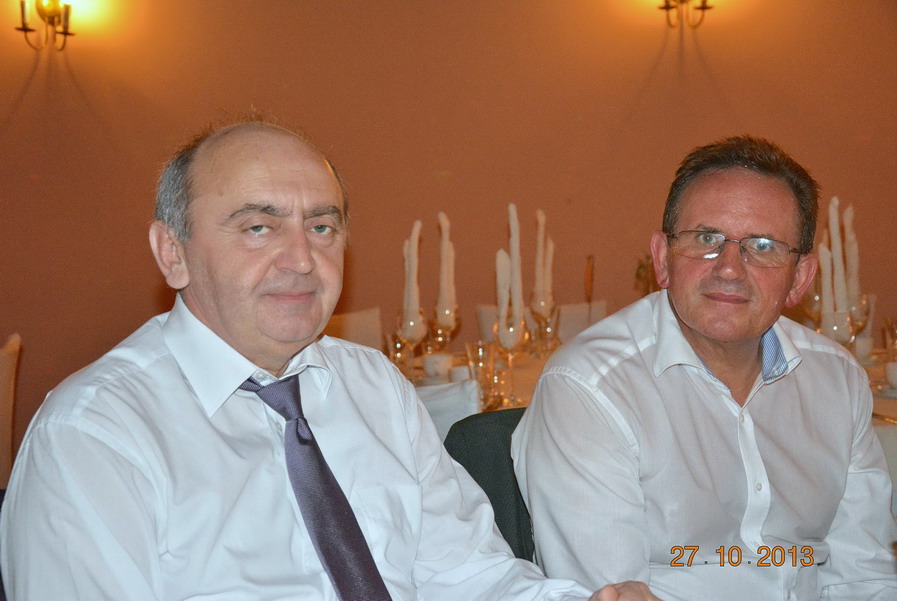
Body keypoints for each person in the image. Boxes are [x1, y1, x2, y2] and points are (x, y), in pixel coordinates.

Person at [0, 119, 660, 601]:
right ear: (172, 253)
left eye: (322, 227)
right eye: (258, 227)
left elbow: (466, 575)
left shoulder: (373, 384)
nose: (301, 259)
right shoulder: (95, 434)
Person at [512, 136, 897, 601]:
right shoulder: (591, 387)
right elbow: (611, 591)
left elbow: (863, 575)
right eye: (706, 239)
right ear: (662, 259)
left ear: (800, 278)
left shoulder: (837, 379)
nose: (730, 268)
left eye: (763, 245)